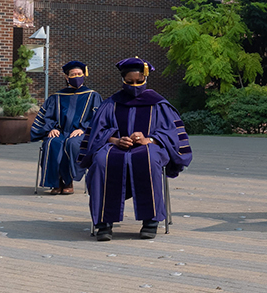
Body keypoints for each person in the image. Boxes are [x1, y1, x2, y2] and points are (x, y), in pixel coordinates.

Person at [80, 57, 192, 241]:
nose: (134, 86)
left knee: (148, 159)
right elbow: (97, 133)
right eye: (129, 82)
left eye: (139, 81)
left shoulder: (158, 103)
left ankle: (151, 221)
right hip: (115, 147)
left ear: (145, 79)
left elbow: (172, 134)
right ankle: (104, 223)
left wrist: (150, 139)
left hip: (150, 147)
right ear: (122, 80)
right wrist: (115, 140)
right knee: (102, 160)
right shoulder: (111, 103)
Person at [30, 60, 101, 195]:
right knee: (52, 142)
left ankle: (68, 181)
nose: (76, 77)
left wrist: (83, 129)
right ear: (67, 77)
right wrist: (52, 128)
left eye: (79, 74)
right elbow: (48, 116)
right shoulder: (57, 97)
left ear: (84, 75)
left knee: (72, 143)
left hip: (81, 132)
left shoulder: (92, 96)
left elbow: (97, 117)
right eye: (73, 74)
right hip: (60, 131)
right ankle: (55, 182)